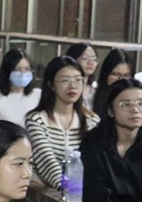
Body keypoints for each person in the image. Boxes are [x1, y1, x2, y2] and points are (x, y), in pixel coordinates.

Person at [80, 78, 142, 202]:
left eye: (141, 103)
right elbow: (94, 194)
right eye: (126, 104)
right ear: (110, 110)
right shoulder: (92, 143)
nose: (135, 110)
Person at [25, 56, 99, 190]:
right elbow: (47, 161)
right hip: (47, 195)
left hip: (84, 194)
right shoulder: (36, 120)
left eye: (78, 80)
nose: (73, 86)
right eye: (65, 80)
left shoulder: (92, 121)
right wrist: (71, 190)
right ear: (51, 85)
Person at [0, 48, 41, 127]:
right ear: (7, 72)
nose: (23, 73)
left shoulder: (38, 95)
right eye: (18, 69)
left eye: (27, 69)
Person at [91, 48, 134, 117]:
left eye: (126, 75)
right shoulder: (92, 96)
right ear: (106, 74)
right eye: (115, 74)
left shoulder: (136, 100)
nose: (121, 79)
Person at [65, 42, 99, 109]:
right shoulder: (65, 88)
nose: (90, 62)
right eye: (85, 58)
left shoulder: (96, 91)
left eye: (94, 59)